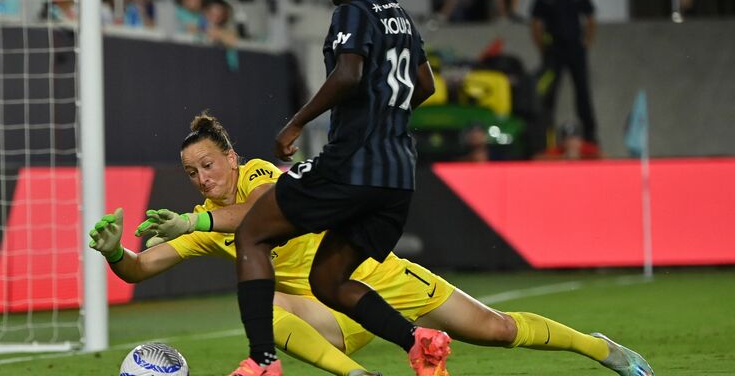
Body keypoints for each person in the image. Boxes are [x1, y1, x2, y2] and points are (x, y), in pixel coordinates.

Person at [89, 112, 655, 376]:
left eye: (208, 165)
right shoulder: (207, 223)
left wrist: (194, 225)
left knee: (497, 331)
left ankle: (596, 347)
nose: (202, 179)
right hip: (330, 309)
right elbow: (140, 270)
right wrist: (117, 251)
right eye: (191, 173)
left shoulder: (262, 176)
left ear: (232, 158)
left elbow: (252, 217)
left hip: (379, 282)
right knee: (271, 306)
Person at [228, 0, 453, 374]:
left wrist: (295, 124)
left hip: (352, 164)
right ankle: (419, 341)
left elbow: (348, 75)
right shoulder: (401, 16)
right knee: (329, 280)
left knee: (251, 233)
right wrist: (386, 118)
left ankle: (263, 360)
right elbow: (425, 85)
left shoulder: (353, 12)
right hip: (398, 175)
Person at [530, 0, 598, 154]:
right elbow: (536, 23)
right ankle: (546, 139)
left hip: (575, 49)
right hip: (554, 51)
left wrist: (586, 44)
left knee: (583, 93)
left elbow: (590, 19)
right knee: (548, 96)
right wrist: (543, 49)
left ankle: (591, 138)